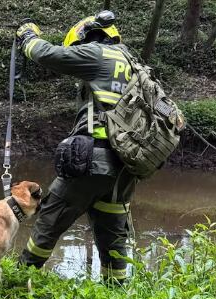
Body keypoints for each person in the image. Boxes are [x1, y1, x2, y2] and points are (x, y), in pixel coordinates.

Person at [15, 11, 139, 284]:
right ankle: (115, 292)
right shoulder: (134, 64)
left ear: (85, 38)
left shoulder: (97, 54)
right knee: (112, 234)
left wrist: (28, 36)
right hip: (126, 168)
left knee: (50, 216)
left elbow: (46, 54)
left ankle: (20, 280)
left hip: (93, 160)